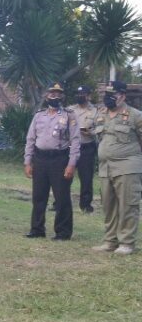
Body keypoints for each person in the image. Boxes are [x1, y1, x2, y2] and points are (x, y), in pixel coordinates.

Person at [24, 83, 81, 241]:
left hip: (59, 159)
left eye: (58, 94)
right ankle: (37, 229)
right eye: (52, 93)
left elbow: (75, 141)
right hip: (40, 159)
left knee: (61, 197)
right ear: (46, 95)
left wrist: (71, 164)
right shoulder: (39, 116)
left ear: (62, 96)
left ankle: (63, 232)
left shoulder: (69, 115)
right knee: (38, 196)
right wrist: (27, 161)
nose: (55, 96)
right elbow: (30, 139)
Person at [92, 81, 142, 255]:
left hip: (128, 165)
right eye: (106, 95)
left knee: (128, 205)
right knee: (108, 205)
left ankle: (127, 243)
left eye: (112, 95)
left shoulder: (135, 115)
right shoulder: (101, 114)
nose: (109, 99)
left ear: (122, 96)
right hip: (105, 167)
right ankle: (110, 241)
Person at [73, 85, 98, 214]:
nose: (80, 96)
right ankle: (58, 202)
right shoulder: (70, 110)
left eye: (83, 94)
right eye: (78, 94)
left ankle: (86, 205)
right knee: (63, 176)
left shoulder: (95, 111)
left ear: (89, 96)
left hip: (87, 147)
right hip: (71, 147)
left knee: (86, 178)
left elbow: (100, 129)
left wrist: (91, 132)